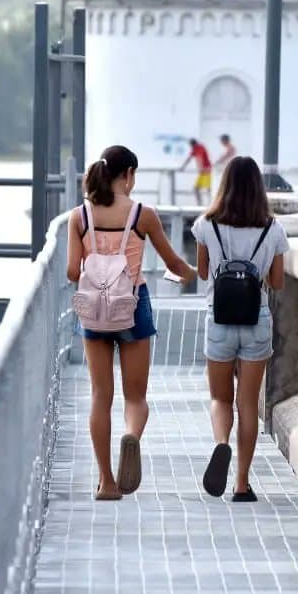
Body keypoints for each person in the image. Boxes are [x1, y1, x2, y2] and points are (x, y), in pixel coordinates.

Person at [67, 145, 196, 500]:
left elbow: (69, 270)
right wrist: (190, 273)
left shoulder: (79, 216)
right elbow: (173, 263)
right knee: (135, 397)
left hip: (94, 309)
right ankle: (132, 437)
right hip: (133, 305)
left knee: (99, 396)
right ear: (128, 175)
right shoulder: (144, 214)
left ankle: (107, 482)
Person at [191, 156, 289, 503]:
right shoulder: (273, 228)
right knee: (247, 403)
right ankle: (242, 484)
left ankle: (221, 443)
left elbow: (202, 273)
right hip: (257, 319)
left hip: (218, 319)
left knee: (220, 398)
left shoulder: (207, 224)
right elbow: (276, 282)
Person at [180, 138, 213, 205]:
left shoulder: (198, 147)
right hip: (205, 170)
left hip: (206, 170)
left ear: (192, 144)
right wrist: (183, 167)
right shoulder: (196, 148)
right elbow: (189, 158)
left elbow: (199, 157)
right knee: (201, 189)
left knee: (206, 189)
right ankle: (201, 204)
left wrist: (201, 168)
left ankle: (207, 204)